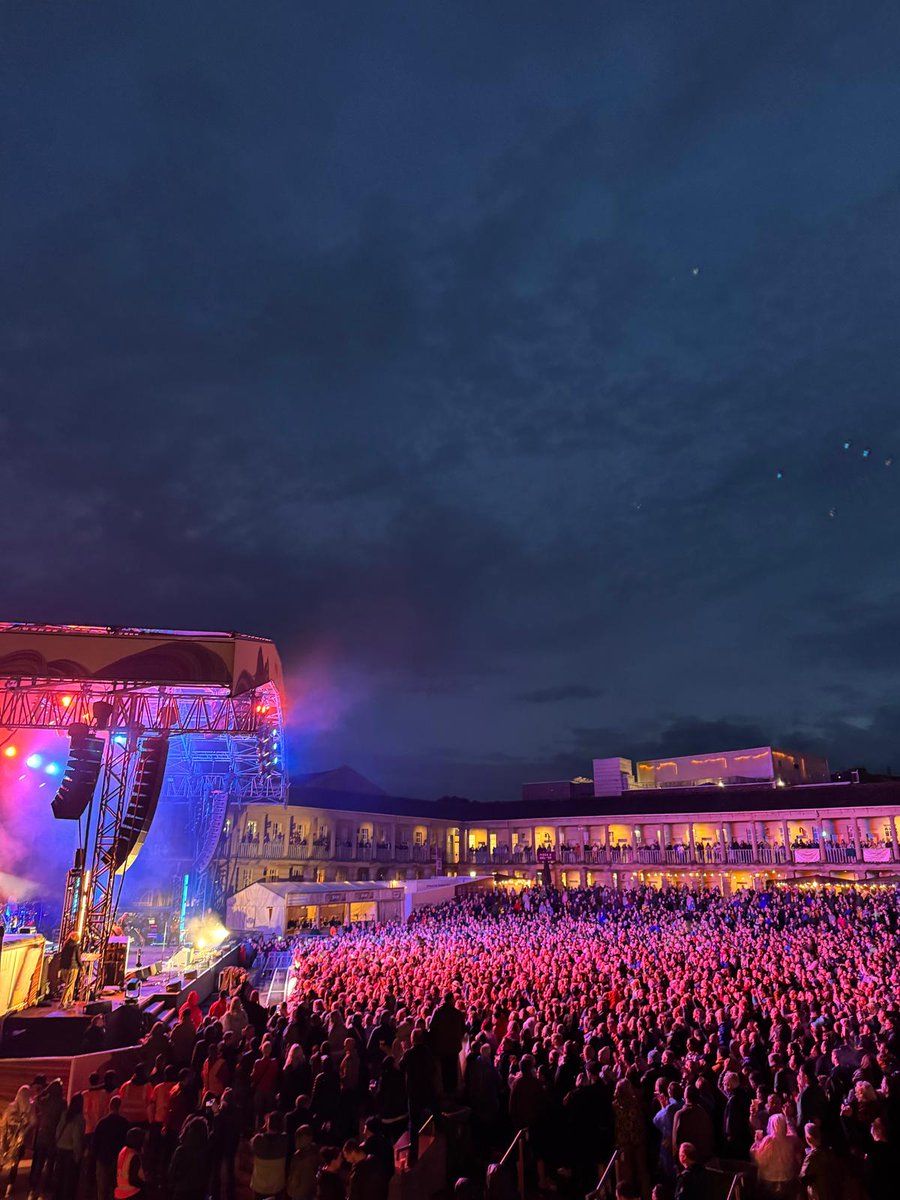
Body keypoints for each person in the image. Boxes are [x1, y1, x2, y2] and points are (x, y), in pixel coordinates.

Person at [751, 1113, 801, 1198]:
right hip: (788, 1181)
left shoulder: (769, 1141)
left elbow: (758, 1159)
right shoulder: (791, 1140)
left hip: (769, 1181)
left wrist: (757, 1142)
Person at [0, 1086, 34, 1198]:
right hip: (19, 1142)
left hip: (7, 1140)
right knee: (14, 1166)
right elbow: (34, 1122)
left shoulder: (11, 1107)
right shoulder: (28, 1110)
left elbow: (3, 1123)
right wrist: (24, 1132)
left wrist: (3, 1138)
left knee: (1, 1162)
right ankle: (8, 1190)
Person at [94, 1096, 129, 1200]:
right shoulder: (124, 1123)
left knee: (102, 1188)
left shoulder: (102, 1122)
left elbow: (95, 1143)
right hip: (117, 1160)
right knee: (114, 1187)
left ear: (109, 1106)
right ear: (120, 1107)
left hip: (103, 1158)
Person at [168, 1114, 210, 1200]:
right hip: (199, 1192)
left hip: (181, 1191)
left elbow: (172, 1173)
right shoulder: (206, 1152)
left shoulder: (181, 1151)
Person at [250, 1110, 289, 1199]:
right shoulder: (285, 1140)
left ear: (268, 1124)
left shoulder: (258, 1140)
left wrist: (265, 1126)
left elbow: (252, 1143)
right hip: (277, 1185)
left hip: (259, 1186)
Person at [54, 1093, 85, 1200]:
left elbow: (57, 1131)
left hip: (60, 1149)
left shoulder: (64, 1114)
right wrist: (78, 1156)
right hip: (70, 1153)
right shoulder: (79, 1119)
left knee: (58, 1180)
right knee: (68, 1183)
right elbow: (77, 1139)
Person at [799, 1122, 842, 1200]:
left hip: (818, 1194)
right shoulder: (829, 1151)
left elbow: (803, 1178)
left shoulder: (811, 1156)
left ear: (808, 1138)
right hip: (832, 1192)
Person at [287, 1125, 320, 1200]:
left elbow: (294, 1178)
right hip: (311, 1191)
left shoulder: (297, 1157)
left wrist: (290, 1191)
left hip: (299, 1193)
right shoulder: (315, 1150)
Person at [114, 1126, 145, 1200]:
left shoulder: (123, 1151)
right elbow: (133, 1179)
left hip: (120, 1191)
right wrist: (144, 1185)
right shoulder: (134, 1155)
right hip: (131, 1192)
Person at [58, 932, 82, 1010]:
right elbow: (78, 958)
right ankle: (63, 1002)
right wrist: (82, 967)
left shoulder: (65, 945)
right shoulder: (76, 946)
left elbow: (62, 957)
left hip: (64, 968)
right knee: (69, 985)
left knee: (70, 985)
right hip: (73, 967)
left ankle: (69, 1000)